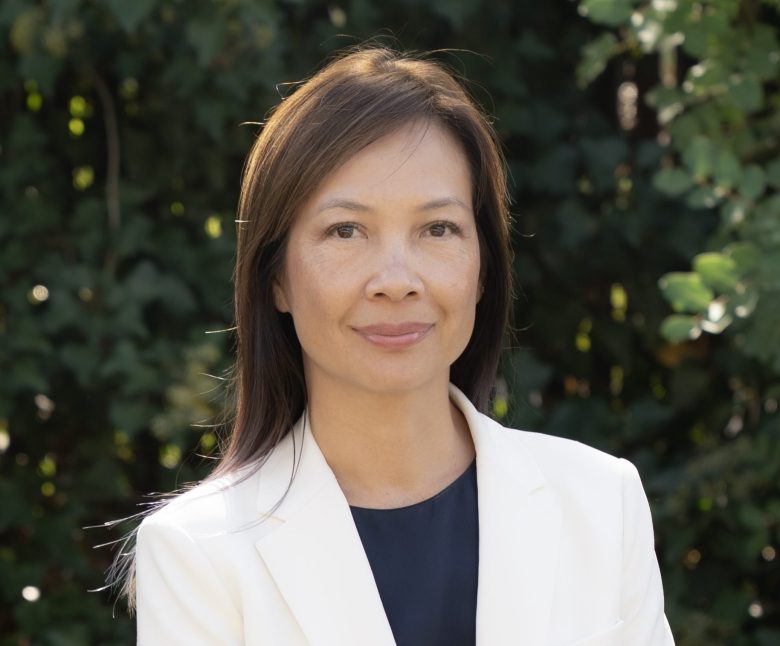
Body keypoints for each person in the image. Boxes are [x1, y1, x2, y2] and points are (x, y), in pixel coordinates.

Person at [129, 46, 675, 645]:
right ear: (276, 277)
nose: (397, 280)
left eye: (437, 229)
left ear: (483, 267)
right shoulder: (198, 552)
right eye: (346, 230)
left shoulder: (600, 503)